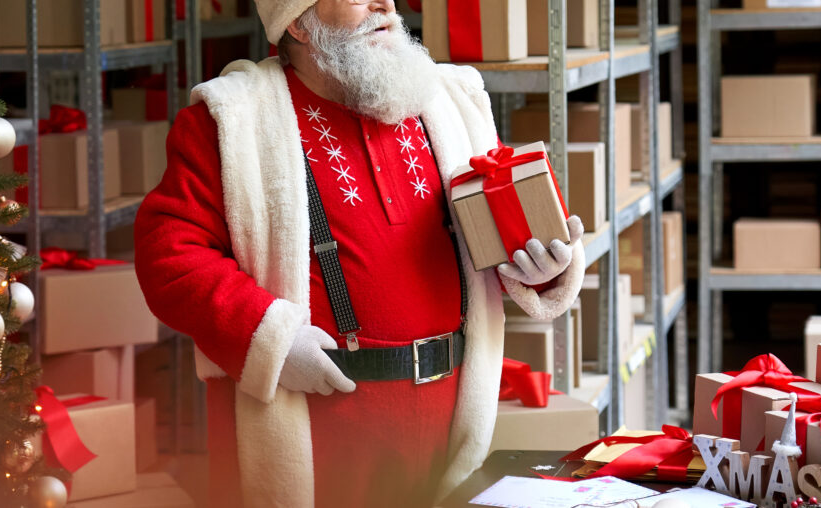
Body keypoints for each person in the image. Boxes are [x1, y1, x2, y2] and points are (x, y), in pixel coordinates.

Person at [134, 1, 585, 506]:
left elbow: (505, 226)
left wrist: (544, 267)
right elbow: (169, 258)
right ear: (298, 23)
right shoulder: (228, 119)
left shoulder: (453, 99)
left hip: (450, 432)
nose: (385, 5)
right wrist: (271, 340)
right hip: (320, 439)